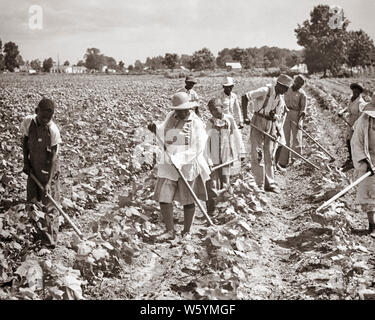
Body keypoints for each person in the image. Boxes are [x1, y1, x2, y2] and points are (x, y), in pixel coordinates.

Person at [148, 92, 210, 241]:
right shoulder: (171, 116)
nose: (181, 112)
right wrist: (155, 129)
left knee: (188, 200)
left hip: (187, 165)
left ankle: (186, 231)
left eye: (183, 110)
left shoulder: (196, 123)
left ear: (189, 108)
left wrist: (179, 159)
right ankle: (170, 230)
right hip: (169, 165)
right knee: (164, 198)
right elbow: (163, 131)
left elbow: (198, 148)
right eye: (178, 110)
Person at [20, 98, 62, 247]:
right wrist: (26, 162)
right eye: (43, 117)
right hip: (33, 168)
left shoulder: (53, 131)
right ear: (36, 111)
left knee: (49, 205)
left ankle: (49, 242)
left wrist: (48, 182)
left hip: (48, 171)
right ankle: (33, 236)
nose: (46, 120)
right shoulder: (27, 122)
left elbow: (53, 159)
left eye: (49, 118)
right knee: (32, 201)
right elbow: (25, 141)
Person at [242, 74, 293, 193]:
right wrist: (245, 116)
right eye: (285, 88)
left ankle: (269, 183)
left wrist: (274, 117)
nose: (286, 91)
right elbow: (245, 97)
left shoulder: (280, 98)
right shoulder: (265, 90)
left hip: (270, 124)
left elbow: (278, 115)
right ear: (279, 85)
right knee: (257, 153)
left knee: (269, 153)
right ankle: (258, 184)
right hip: (258, 121)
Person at [205, 98, 237, 214]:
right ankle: (211, 209)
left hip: (226, 156)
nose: (216, 114)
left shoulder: (229, 119)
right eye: (213, 111)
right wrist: (208, 161)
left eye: (218, 111)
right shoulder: (209, 123)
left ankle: (224, 208)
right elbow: (206, 143)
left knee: (226, 182)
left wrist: (239, 151)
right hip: (213, 158)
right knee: (213, 184)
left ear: (222, 108)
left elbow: (235, 135)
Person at [351, 93, 375, 238]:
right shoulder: (364, 121)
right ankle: (372, 225)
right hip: (368, 159)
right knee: (369, 193)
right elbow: (357, 143)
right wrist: (366, 162)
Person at [278, 75, 307, 169]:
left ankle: (296, 160)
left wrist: (300, 122)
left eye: (301, 84)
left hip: (296, 115)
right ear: (294, 81)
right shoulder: (286, 89)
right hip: (285, 114)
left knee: (296, 138)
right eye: (298, 83)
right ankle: (283, 161)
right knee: (284, 136)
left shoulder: (302, 94)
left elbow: (303, 109)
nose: (299, 85)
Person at [339, 82, 366, 171]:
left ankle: (354, 161)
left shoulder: (361, 102)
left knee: (354, 142)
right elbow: (348, 108)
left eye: (357, 92)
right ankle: (350, 158)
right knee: (348, 140)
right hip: (350, 121)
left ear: (360, 92)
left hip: (357, 123)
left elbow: (361, 117)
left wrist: (355, 126)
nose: (355, 93)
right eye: (354, 91)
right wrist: (342, 112)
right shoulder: (352, 99)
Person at [220, 77, 246, 162]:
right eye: (227, 87)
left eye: (230, 86)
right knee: (225, 138)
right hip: (222, 119)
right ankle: (225, 157)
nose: (229, 88)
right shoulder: (219, 96)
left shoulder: (234, 96)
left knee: (237, 135)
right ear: (223, 87)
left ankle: (240, 154)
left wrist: (241, 121)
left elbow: (237, 109)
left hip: (231, 119)